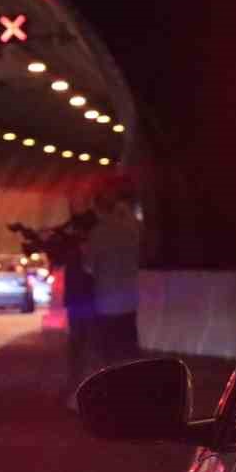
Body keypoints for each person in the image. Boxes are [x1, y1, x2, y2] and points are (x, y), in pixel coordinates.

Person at [70, 174, 143, 407]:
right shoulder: (133, 230)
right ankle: (135, 393)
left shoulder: (99, 234)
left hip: (106, 301)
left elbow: (89, 266)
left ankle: (113, 396)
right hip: (130, 300)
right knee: (129, 347)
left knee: (108, 352)